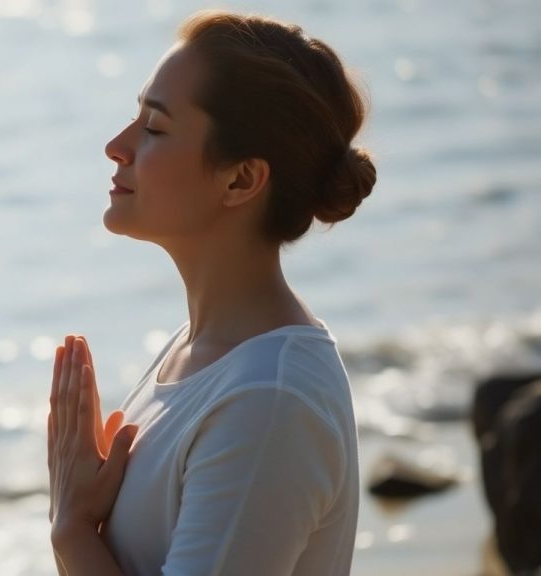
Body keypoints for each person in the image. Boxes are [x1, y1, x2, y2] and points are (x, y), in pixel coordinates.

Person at [46, 9, 375, 576]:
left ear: (241, 179)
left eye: (154, 127)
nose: (116, 146)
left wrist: (73, 532)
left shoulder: (270, 401)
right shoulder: (197, 351)